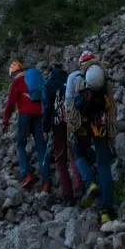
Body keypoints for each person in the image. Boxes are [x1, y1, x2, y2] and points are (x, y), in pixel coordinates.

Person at [66, 50, 117, 223]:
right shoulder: (105, 78)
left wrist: (71, 127)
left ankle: (90, 183)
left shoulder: (77, 77)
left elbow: (70, 104)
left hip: (82, 127)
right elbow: (111, 108)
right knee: (104, 165)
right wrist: (111, 133)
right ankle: (106, 211)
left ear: (81, 63)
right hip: (100, 126)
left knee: (79, 155)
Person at [2, 60, 50, 190]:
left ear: (12, 74)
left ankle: (26, 174)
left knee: (21, 143)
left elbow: (10, 104)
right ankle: (46, 181)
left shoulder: (16, 83)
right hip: (40, 115)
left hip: (25, 115)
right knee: (41, 147)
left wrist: (5, 122)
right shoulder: (32, 79)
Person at [42, 62, 83, 205]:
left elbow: (47, 108)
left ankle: (67, 195)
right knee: (73, 156)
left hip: (57, 123)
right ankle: (80, 189)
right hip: (72, 121)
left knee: (60, 159)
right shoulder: (70, 79)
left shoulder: (49, 83)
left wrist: (45, 129)